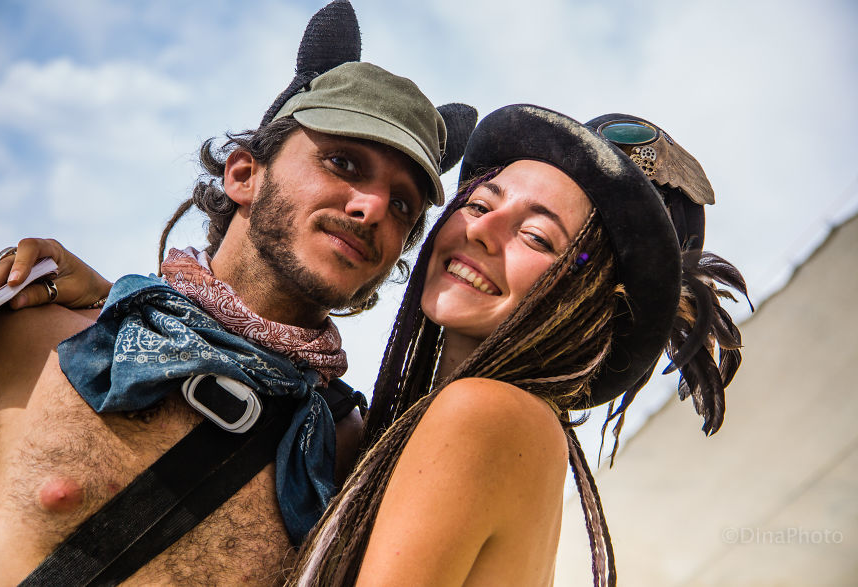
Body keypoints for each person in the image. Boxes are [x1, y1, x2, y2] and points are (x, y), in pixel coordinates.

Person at [0, 1, 478, 583]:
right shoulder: (36, 340)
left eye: (401, 205)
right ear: (243, 175)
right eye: (342, 162)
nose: (370, 207)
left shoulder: (347, 457)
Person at [286, 104, 751, 585]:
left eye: (536, 236)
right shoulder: (504, 425)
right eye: (480, 204)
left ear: (590, 302)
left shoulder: (485, 412)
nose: (480, 230)